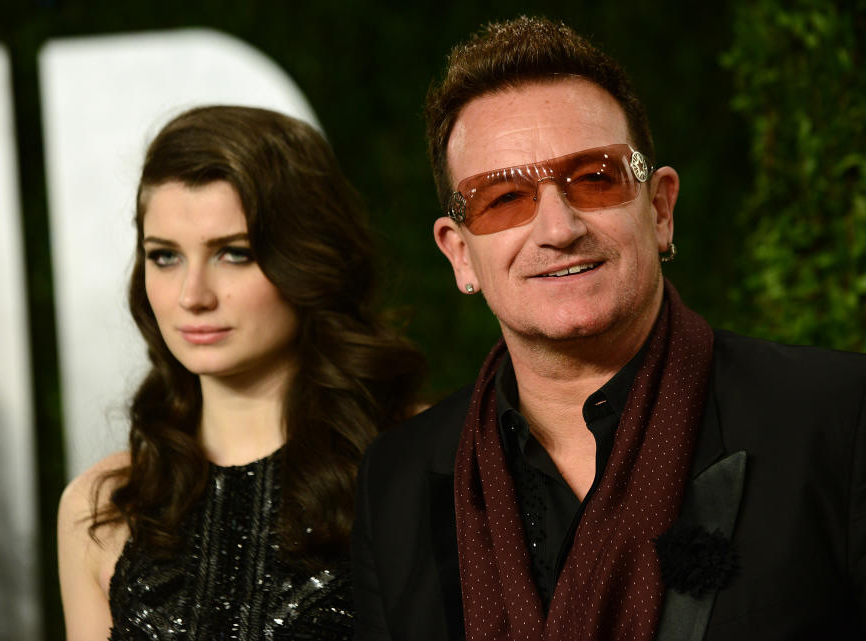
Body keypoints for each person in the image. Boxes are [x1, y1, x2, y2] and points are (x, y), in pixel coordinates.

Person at [351, 16, 866, 641]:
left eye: (594, 178)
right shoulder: (397, 481)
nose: (559, 228)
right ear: (460, 255)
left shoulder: (836, 420)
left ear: (660, 209)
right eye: (504, 198)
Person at [57, 105, 425, 641]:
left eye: (233, 253)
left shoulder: (423, 466)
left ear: (308, 259)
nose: (192, 296)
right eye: (164, 257)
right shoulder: (104, 507)